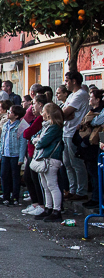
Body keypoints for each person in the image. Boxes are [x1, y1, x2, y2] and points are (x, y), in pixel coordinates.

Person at [30, 103, 65, 222]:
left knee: (52, 185)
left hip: (51, 158)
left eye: (44, 111)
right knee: (45, 186)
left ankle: (57, 210)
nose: (42, 113)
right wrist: (37, 139)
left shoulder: (54, 127)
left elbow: (41, 143)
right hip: (45, 158)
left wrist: (37, 140)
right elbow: (34, 137)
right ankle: (48, 208)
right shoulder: (47, 126)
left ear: (49, 114)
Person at [61, 71, 89, 201]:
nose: (65, 83)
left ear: (74, 81)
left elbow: (65, 113)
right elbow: (62, 113)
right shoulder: (71, 96)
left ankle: (81, 190)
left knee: (76, 163)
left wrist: (65, 114)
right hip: (66, 131)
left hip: (74, 132)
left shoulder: (81, 95)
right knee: (67, 163)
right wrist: (65, 114)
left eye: (67, 81)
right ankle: (72, 189)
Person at [21, 95, 47, 216]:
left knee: (35, 179)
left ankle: (41, 204)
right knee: (28, 177)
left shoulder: (41, 119)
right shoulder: (36, 118)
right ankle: (36, 202)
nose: (32, 107)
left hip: (36, 152)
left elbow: (27, 133)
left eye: (34, 104)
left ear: (40, 104)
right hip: (31, 151)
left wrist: (29, 133)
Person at [0, 105, 26, 206]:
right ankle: (5, 196)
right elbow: (2, 140)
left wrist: (21, 157)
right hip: (5, 154)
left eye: (11, 112)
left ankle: (15, 197)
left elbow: (23, 143)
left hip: (15, 155)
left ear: (17, 115)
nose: (8, 113)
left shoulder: (20, 126)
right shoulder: (6, 125)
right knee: (4, 175)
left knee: (15, 176)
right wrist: (0, 154)